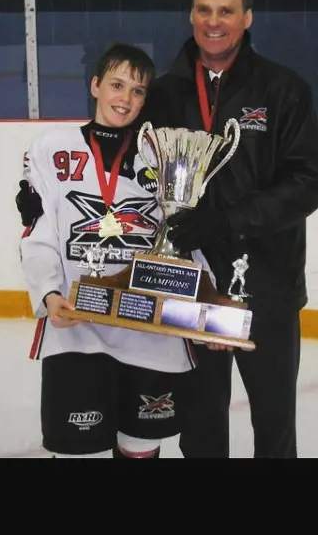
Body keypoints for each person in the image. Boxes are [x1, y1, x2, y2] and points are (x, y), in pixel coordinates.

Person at [18, 0, 318, 458]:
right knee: (201, 425)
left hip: (266, 288)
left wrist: (228, 220)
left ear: (247, 17)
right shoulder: (161, 93)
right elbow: (113, 170)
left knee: (273, 422)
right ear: (191, 14)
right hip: (181, 288)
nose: (214, 21)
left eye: (226, 11)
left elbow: (307, 184)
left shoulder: (282, 90)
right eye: (204, 9)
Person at [19, 42, 198, 459]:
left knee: (140, 447)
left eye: (137, 91)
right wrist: (47, 293)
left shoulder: (164, 153)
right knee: (74, 448)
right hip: (77, 325)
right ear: (95, 85)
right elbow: (38, 231)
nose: (126, 99)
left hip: (147, 328)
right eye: (117, 85)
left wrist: (196, 304)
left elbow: (184, 236)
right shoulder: (51, 147)